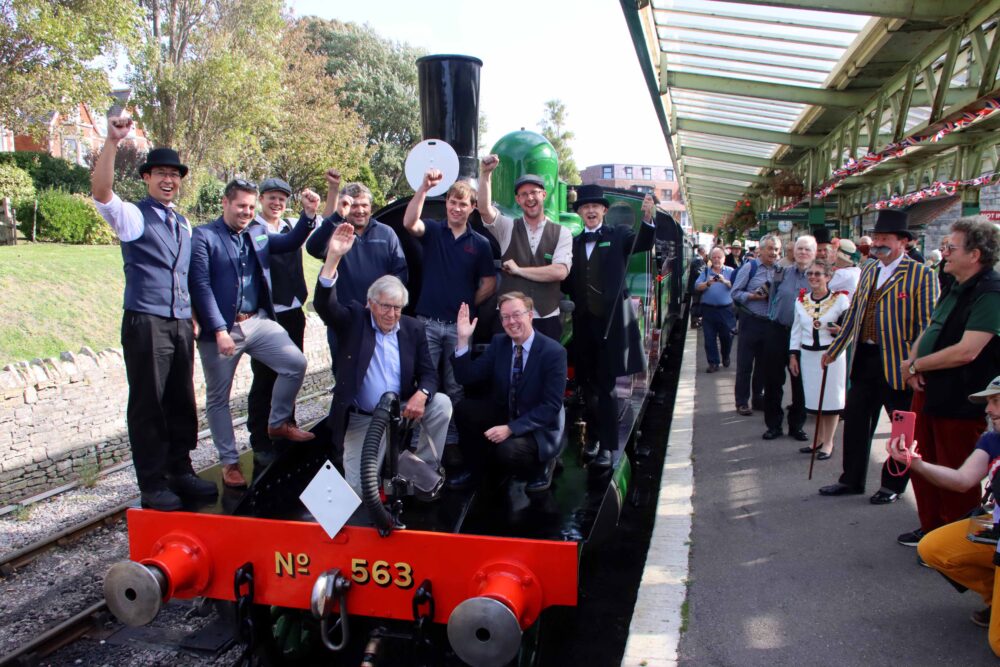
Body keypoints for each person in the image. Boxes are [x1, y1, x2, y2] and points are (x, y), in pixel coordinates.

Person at [91, 114, 217, 511]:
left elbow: (188, 274)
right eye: (160, 173)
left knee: (181, 399)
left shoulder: (183, 223)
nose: (168, 180)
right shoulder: (132, 216)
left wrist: (194, 315)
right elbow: (101, 192)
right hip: (145, 320)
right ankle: (152, 482)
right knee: (149, 403)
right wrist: (112, 142)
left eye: (174, 174)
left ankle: (180, 468)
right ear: (146, 178)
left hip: (179, 322)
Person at [190, 179, 317, 488]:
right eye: (241, 206)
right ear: (225, 203)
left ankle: (278, 423)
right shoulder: (204, 237)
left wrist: (309, 216)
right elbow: (201, 286)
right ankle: (230, 462)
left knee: (295, 364)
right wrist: (219, 330)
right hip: (222, 329)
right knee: (219, 397)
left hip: (257, 321)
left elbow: (287, 244)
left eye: (250, 207)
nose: (246, 212)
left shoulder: (258, 233)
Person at [313, 223, 451, 498]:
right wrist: (333, 258)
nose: (391, 314)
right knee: (359, 490)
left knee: (442, 404)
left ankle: (419, 466)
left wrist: (422, 395)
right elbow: (325, 306)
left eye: (397, 307)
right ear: (370, 304)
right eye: (386, 306)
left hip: (401, 411)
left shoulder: (412, 328)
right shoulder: (354, 320)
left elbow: (429, 374)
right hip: (364, 419)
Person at [819, 209, 939, 502]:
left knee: (901, 427)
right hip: (865, 358)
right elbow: (855, 315)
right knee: (857, 422)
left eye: (885, 238)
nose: (877, 242)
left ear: (903, 242)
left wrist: (916, 366)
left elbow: (928, 325)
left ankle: (893, 485)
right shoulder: (870, 269)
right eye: (876, 237)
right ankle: (851, 479)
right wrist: (834, 351)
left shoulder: (921, 274)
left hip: (899, 363)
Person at [896, 217, 1000, 546]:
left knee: (954, 464)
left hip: (960, 395)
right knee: (920, 458)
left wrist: (916, 366)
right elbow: (933, 328)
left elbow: (968, 351)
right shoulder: (953, 283)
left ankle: (956, 538)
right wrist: (914, 362)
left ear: (976, 254)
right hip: (929, 390)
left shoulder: (991, 291)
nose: (944, 253)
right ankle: (930, 528)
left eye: (950, 248)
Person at [887, 376, 1000, 650]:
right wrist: (917, 464)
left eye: (996, 401)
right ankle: (993, 600)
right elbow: (962, 480)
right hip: (995, 529)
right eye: (988, 402)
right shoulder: (992, 439)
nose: (988, 409)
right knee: (933, 547)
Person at [562, 185, 655, 467]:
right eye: (584, 207)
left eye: (595, 207)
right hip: (583, 326)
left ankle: (607, 446)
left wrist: (649, 221)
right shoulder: (574, 244)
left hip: (610, 326)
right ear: (579, 213)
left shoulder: (619, 236)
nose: (590, 211)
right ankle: (592, 437)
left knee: (606, 387)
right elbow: (566, 282)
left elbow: (643, 243)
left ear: (603, 210)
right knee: (586, 385)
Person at [402, 169, 496, 430]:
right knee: (423, 385)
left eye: (462, 204)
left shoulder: (480, 244)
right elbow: (410, 223)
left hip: (458, 329)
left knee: (456, 386)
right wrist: (423, 188)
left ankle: (453, 441)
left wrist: (466, 304)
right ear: (446, 203)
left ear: (472, 208)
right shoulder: (432, 231)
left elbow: (489, 283)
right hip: (427, 323)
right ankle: (418, 442)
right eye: (452, 202)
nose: (456, 208)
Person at [448, 293, 568, 494]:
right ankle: (474, 468)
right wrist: (462, 339)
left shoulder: (553, 352)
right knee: (464, 409)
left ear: (530, 315)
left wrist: (511, 429)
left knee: (507, 451)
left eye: (516, 314)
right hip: (507, 410)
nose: (511, 321)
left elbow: (551, 407)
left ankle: (543, 466)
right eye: (505, 317)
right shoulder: (499, 343)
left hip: (538, 425)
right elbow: (466, 377)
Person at [306, 170, 408, 373]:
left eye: (364, 205)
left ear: (371, 207)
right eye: (353, 205)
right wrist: (336, 216)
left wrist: (385, 304)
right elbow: (313, 248)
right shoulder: (336, 231)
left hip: (378, 317)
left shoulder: (386, 234)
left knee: (380, 371)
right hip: (343, 316)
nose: (360, 210)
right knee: (344, 372)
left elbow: (400, 272)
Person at [246, 178, 312, 466]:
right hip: (269, 313)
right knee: (265, 377)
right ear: (262, 199)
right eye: (272, 197)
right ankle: (260, 438)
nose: (277, 203)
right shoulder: (254, 231)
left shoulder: (288, 226)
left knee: (292, 373)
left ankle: (286, 425)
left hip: (293, 309)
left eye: (282, 199)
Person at [477, 156, 573, 341]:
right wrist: (486, 174)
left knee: (544, 369)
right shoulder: (507, 227)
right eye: (523, 194)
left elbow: (560, 271)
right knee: (507, 369)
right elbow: (484, 209)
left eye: (534, 192)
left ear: (543, 195)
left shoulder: (562, 233)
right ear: (518, 200)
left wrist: (519, 270)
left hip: (546, 318)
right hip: (510, 319)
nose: (529, 198)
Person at [789, 260, 850, 460]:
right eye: (810, 274)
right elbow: (796, 331)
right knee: (814, 400)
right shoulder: (801, 301)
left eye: (818, 274)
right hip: (808, 356)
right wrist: (793, 355)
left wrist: (840, 331)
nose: (813, 277)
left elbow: (850, 330)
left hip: (832, 355)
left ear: (828, 277)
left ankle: (829, 442)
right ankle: (818, 439)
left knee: (830, 400)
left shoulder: (840, 300)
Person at [762, 235, 816, 441]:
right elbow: (773, 297)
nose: (802, 252)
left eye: (807, 250)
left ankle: (797, 425)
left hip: (804, 336)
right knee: (773, 380)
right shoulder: (781, 273)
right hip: (778, 330)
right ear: (794, 251)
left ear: (814, 252)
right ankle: (773, 425)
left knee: (800, 381)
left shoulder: (817, 276)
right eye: (799, 249)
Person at [731, 234, 781, 415]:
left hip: (769, 323)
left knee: (763, 364)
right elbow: (735, 293)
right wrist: (752, 296)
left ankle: (758, 399)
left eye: (776, 249)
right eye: (770, 249)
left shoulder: (779, 270)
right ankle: (742, 402)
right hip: (750, 320)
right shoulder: (749, 267)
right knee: (745, 364)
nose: (774, 253)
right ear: (760, 250)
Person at [694, 247, 735, 373]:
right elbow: (696, 286)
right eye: (714, 257)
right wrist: (708, 283)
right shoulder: (705, 271)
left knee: (727, 336)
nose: (716, 259)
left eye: (719, 257)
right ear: (711, 258)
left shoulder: (730, 271)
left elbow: (736, 286)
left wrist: (725, 281)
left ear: (724, 258)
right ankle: (713, 362)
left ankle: (726, 355)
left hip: (726, 310)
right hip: (709, 310)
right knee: (709, 337)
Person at [689, 246, 707, 329]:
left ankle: (695, 321)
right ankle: (695, 322)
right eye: (705, 252)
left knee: (696, 303)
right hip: (696, 287)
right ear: (702, 252)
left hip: (695, 286)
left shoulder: (696, 259)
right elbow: (700, 272)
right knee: (696, 304)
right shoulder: (698, 260)